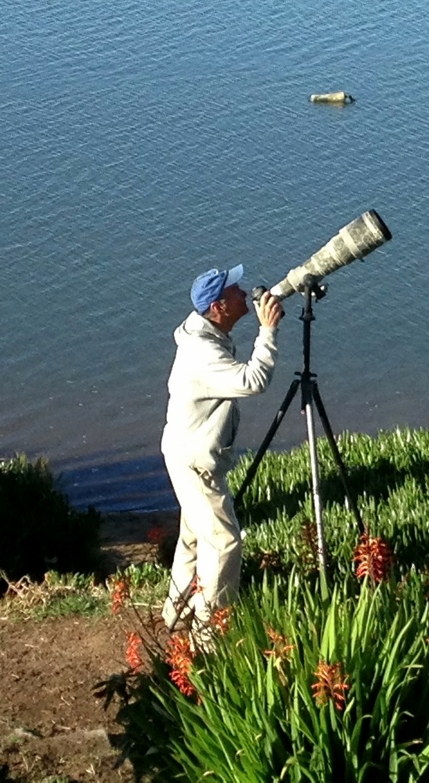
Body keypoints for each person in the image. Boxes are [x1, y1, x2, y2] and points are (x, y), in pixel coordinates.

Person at [160, 264, 284, 633]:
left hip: (187, 455)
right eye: (235, 291)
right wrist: (268, 331)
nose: (244, 292)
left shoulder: (207, 335)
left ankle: (176, 615)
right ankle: (210, 633)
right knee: (225, 544)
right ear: (218, 307)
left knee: (194, 538)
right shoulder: (202, 352)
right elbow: (252, 380)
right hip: (196, 463)